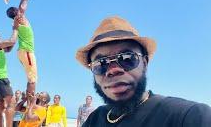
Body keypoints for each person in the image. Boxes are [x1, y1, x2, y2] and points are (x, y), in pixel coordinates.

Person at [75, 16, 211, 126]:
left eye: (127, 58)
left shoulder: (187, 116)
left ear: (145, 63)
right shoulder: (94, 119)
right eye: (101, 63)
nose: (113, 70)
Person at [6, 0, 37, 96]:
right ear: (17, 13)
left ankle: (29, 102)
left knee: (30, 78)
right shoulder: (20, 20)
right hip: (27, 51)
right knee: (33, 79)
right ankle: (30, 105)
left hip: (22, 52)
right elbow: (22, 8)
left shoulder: (15, 24)